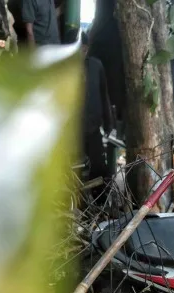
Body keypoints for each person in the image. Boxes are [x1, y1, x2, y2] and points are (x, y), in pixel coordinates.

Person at [80, 32, 115, 182]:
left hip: (93, 127)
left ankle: (98, 201)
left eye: (83, 49)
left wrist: (109, 123)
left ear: (87, 48)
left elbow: (104, 94)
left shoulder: (95, 65)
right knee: (75, 168)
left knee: (99, 169)